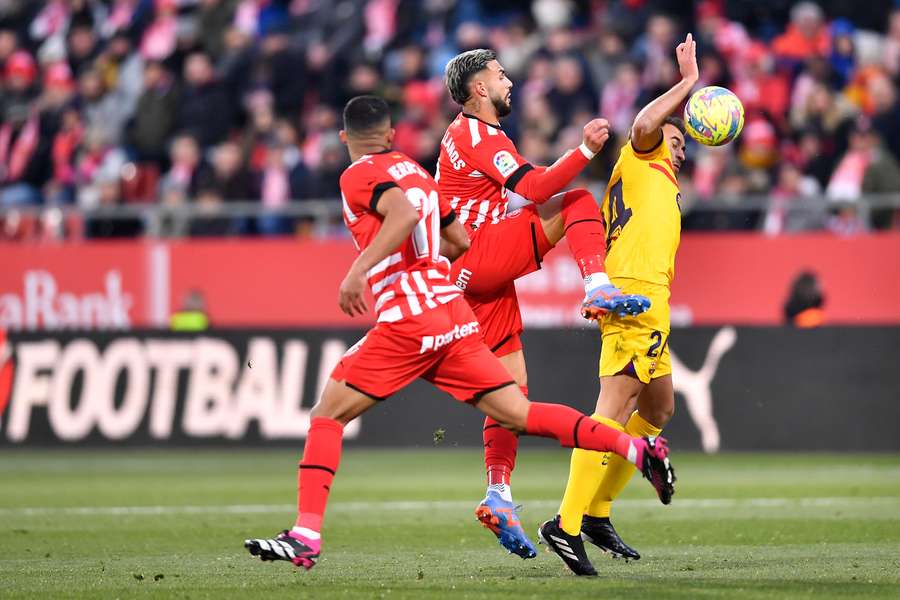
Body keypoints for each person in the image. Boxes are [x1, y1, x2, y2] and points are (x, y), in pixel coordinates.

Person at [242, 95, 676, 571]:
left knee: (327, 416)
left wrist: (358, 271)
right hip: (454, 315)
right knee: (519, 411)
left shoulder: (359, 173)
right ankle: (633, 448)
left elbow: (410, 218)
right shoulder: (415, 170)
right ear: (391, 136)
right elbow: (456, 237)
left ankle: (306, 533)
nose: (507, 82)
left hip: (411, 317)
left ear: (346, 138)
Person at [438, 48, 651, 559]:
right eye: (500, 74)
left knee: (510, 395)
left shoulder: (475, 134)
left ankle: (499, 494)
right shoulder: (476, 134)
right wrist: (582, 149)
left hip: (473, 279)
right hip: (479, 253)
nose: (509, 80)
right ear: (479, 90)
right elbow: (533, 186)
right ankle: (597, 285)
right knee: (576, 199)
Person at [540, 33, 698, 576]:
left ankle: (597, 513)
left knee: (656, 410)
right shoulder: (642, 153)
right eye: (676, 141)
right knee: (610, 411)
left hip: (654, 301)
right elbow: (644, 127)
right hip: (632, 296)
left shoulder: (664, 182)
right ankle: (564, 523)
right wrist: (687, 83)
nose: (680, 149)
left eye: (682, 145)